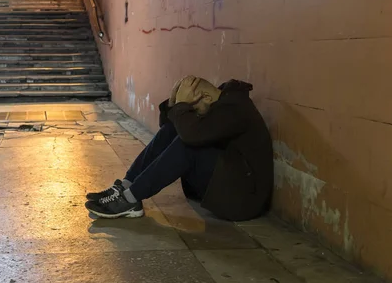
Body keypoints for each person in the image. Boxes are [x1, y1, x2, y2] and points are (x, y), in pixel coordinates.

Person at [85, 77, 274, 221]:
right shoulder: (219, 102)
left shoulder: (235, 110)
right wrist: (173, 105)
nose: (194, 113)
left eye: (194, 107)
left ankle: (130, 199)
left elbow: (192, 136)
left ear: (207, 97)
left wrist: (183, 108)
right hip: (226, 184)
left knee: (188, 144)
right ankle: (126, 187)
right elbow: (170, 126)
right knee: (174, 128)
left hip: (242, 200)